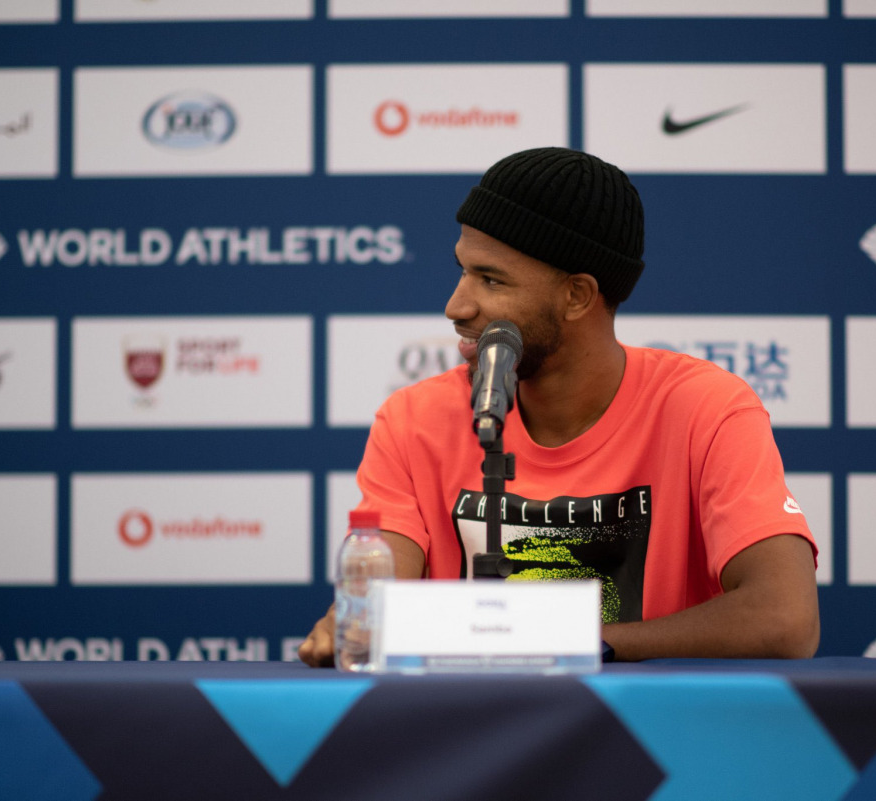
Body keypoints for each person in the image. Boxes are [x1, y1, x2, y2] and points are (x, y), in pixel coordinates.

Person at [300, 147, 819, 665]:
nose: (456, 306)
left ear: (577, 296)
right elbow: (374, 607)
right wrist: (353, 621)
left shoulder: (706, 408)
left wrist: (570, 643)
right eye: (462, 271)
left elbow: (785, 618)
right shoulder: (414, 419)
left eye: (491, 279)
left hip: (651, 738)